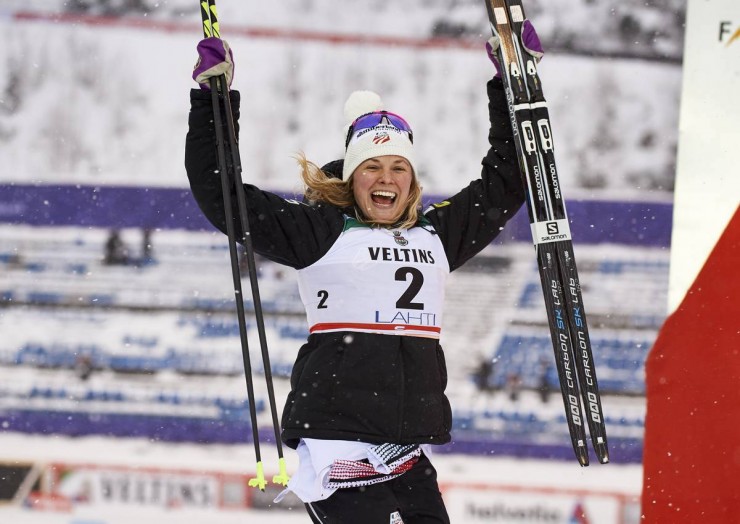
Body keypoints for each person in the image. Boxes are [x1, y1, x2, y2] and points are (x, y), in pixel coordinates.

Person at [186, 24, 542, 524]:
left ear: (413, 180)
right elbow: (223, 195)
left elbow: (507, 181)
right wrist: (213, 103)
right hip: (338, 449)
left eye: (399, 167)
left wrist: (512, 82)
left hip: (405, 455)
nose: (386, 178)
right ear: (352, 177)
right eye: (372, 166)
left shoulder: (436, 235)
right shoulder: (320, 231)